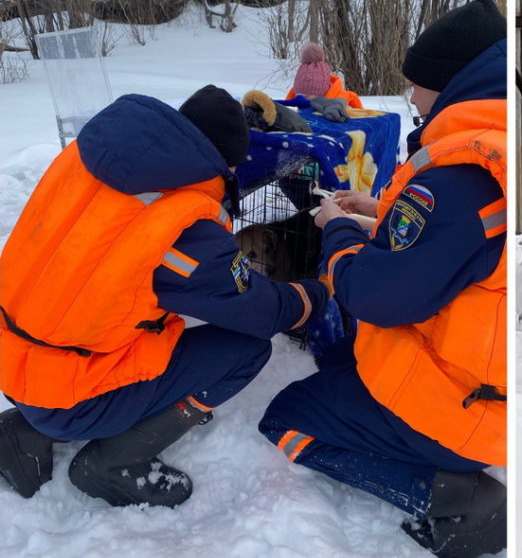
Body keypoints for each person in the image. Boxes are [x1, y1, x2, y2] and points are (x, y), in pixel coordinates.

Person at [258, 0, 507, 558]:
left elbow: (372, 294)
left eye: (416, 86)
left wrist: (338, 231)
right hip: (481, 375)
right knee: (346, 363)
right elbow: (457, 243)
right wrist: (380, 212)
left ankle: (451, 495)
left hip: (463, 404)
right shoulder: (496, 148)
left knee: (285, 418)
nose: (411, 99)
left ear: (450, 84)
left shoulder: (457, 180)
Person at [0, 86, 329, 508]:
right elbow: (262, 313)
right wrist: (317, 293)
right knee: (245, 350)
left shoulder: (89, 162)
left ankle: (24, 430)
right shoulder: (179, 228)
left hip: (14, 358)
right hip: (67, 392)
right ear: (227, 163)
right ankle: (116, 461)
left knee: (131, 323)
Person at [286, 41, 364, 112]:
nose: (302, 99)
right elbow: (288, 100)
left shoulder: (337, 97)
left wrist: (360, 114)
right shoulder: (299, 93)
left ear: (323, 93)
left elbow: (351, 96)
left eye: (307, 96)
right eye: (299, 95)